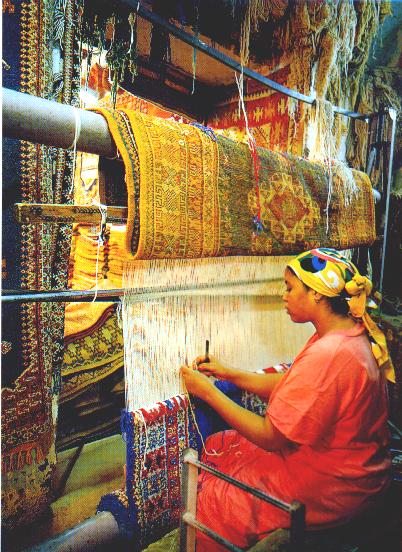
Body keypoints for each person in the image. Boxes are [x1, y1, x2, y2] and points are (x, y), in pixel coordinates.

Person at [181, 248, 394, 551]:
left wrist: (208, 392)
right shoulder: (348, 333)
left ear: (317, 295)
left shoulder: (329, 354)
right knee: (222, 446)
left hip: (334, 486)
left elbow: (271, 437)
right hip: (359, 470)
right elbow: (291, 384)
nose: (284, 295)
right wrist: (228, 373)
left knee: (215, 503)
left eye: (290, 288)